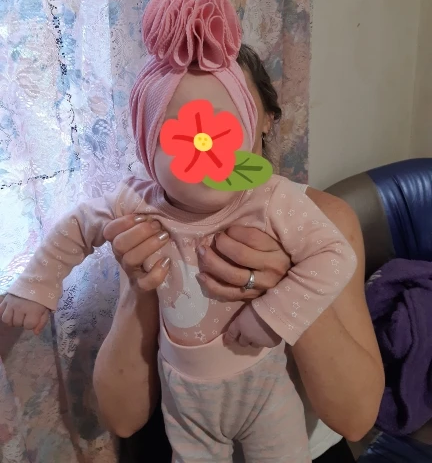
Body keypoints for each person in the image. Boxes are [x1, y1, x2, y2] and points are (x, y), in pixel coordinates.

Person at [2, 0, 358, 462]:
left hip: (264, 391)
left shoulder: (278, 203)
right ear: (148, 146)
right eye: (184, 130)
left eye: (223, 125)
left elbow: (334, 259)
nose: (205, 146)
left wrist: (274, 309)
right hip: (186, 400)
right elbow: (77, 228)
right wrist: (36, 285)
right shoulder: (136, 206)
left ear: (262, 122)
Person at [93, 36, 385, 459]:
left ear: (264, 118)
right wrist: (139, 287)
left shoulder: (327, 220)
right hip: (193, 435)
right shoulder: (153, 218)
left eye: (227, 109)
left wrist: (290, 288)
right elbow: (122, 419)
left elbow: (356, 418)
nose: (206, 134)